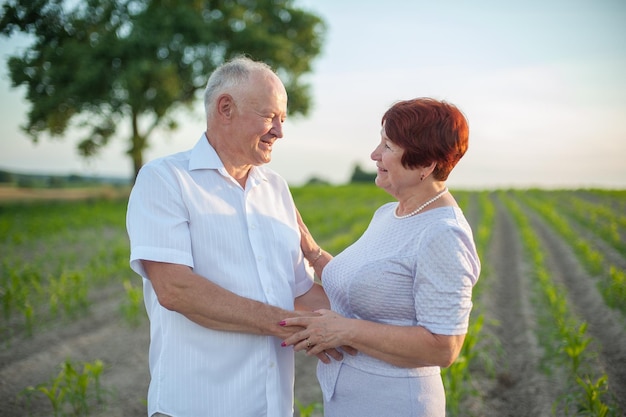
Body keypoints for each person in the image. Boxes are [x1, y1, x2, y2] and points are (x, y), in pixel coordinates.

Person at [126, 56, 340, 417]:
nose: (280, 131)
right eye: (271, 116)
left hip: (272, 406)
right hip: (196, 405)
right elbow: (177, 290)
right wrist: (299, 329)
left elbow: (301, 292)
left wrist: (376, 321)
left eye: (283, 120)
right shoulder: (164, 179)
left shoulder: (276, 188)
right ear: (225, 108)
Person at [281, 98, 481, 416]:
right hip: (350, 400)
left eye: (387, 146)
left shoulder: (443, 234)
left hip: (396, 403)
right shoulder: (390, 213)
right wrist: (312, 251)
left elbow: (444, 347)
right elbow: (363, 289)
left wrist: (345, 330)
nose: (375, 155)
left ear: (426, 164)